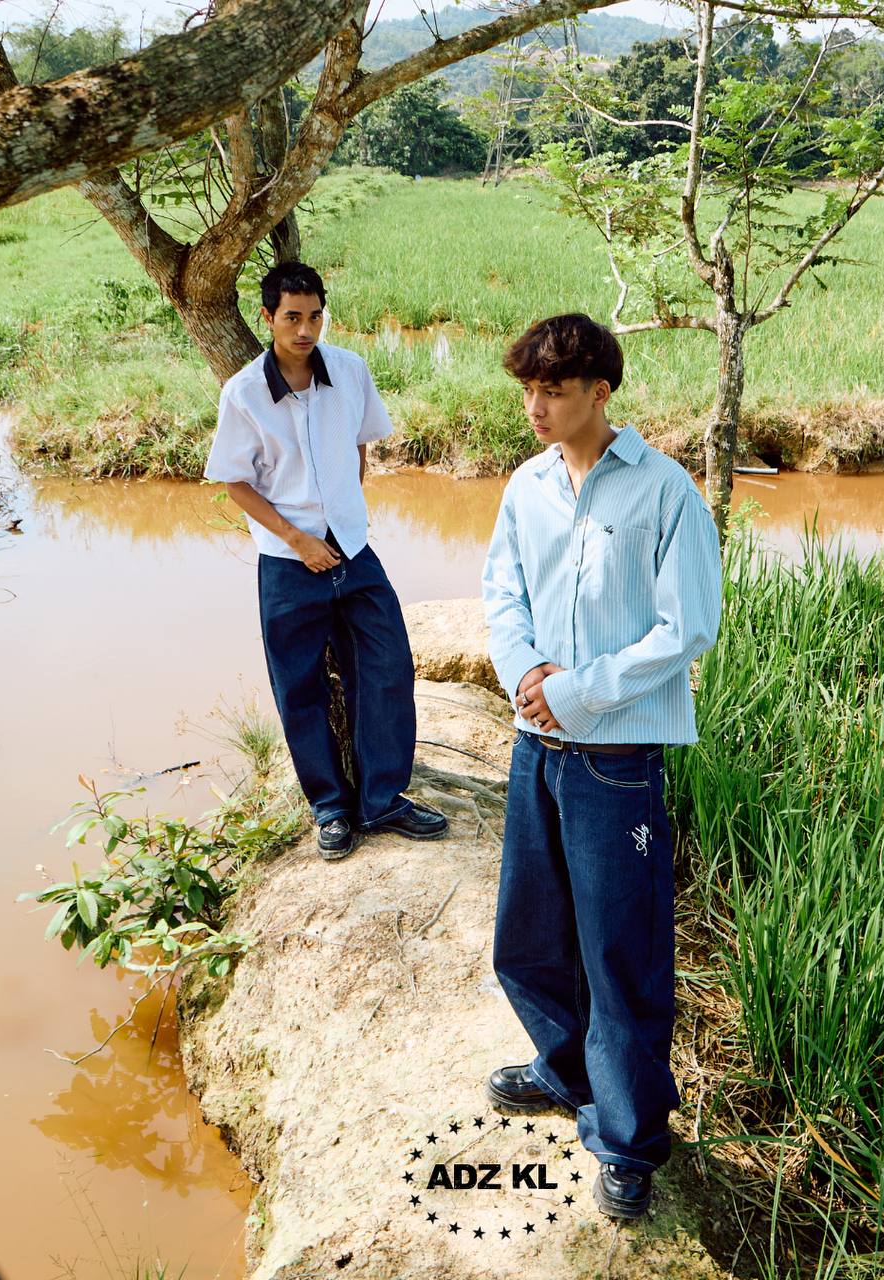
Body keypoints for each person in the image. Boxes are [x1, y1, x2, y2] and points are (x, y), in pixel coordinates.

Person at [481, 313, 722, 1219]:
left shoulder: (664, 494)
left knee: (621, 952)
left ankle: (627, 1141)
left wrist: (577, 691)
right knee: (530, 930)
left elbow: (687, 626)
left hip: (617, 758)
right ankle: (562, 1067)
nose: (536, 408)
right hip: (534, 746)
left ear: (600, 392)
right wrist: (526, 672)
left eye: (553, 391)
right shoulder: (527, 487)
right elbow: (502, 590)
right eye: (528, 392)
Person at [204, 261, 446, 859]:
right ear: (268, 318)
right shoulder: (243, 394)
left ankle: (383, 799)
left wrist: (345, 520)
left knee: (388, 664)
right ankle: (331, 809)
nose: (306, 329)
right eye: (292, 317)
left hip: (354, 552)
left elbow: (359, 446)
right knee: (301, 687)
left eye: (314, 315)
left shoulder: (350, 370)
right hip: (288, 563)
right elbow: (234, 482)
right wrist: (299, 539)